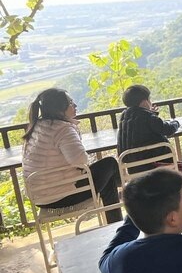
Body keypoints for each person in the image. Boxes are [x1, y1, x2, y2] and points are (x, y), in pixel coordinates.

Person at [21, 88, 122, 222]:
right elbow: (81, 160)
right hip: (62, 195)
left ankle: (117, 221)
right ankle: (126, 188)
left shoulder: (37, 126)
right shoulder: (62, 129)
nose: (75, 105)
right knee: (109, 163)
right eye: (70, 103)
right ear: (59, 108)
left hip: (40, 197)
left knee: (108, 179)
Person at [117, 84, 182, 176]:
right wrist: (176, 123)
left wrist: (152, 113)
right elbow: (167, 129)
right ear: (144, 102)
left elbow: (143, 126)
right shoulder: (147, 116)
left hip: (134, 170)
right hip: (153, 165)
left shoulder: (124, 117)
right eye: (149, 99)